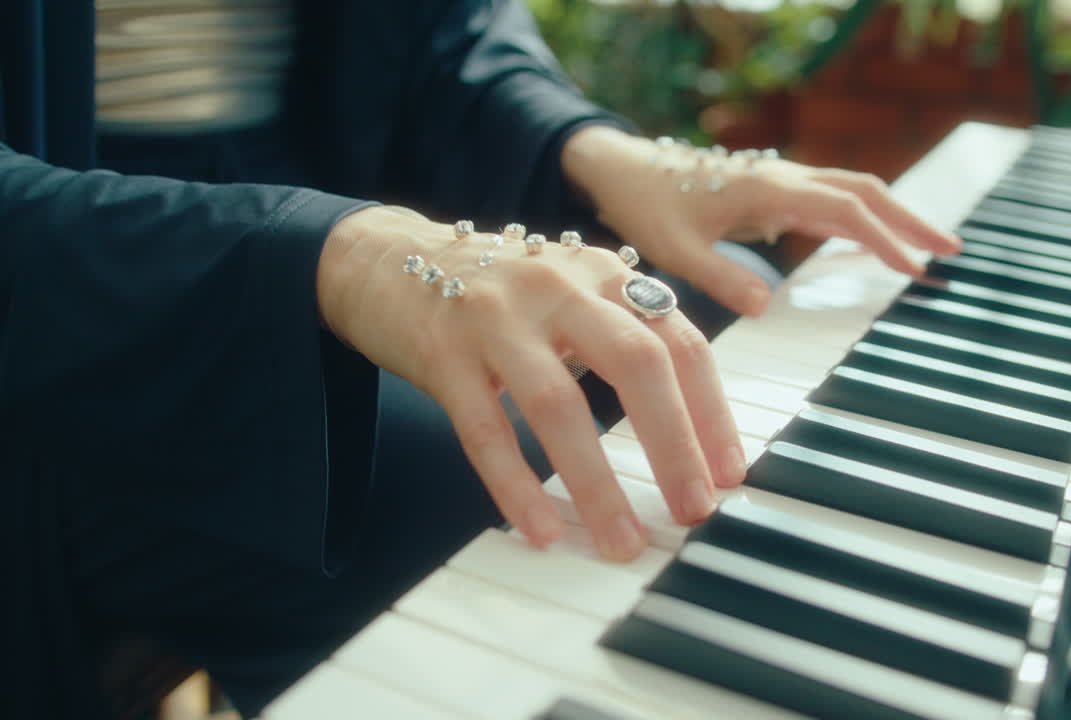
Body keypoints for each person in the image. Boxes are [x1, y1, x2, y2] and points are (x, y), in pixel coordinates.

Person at [0, 0, 960, 717]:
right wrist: (340, 254)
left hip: (311, 181)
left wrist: (599, 154)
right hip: (78, 284)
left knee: (702, 307)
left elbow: (439, 35)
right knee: (475, 476)